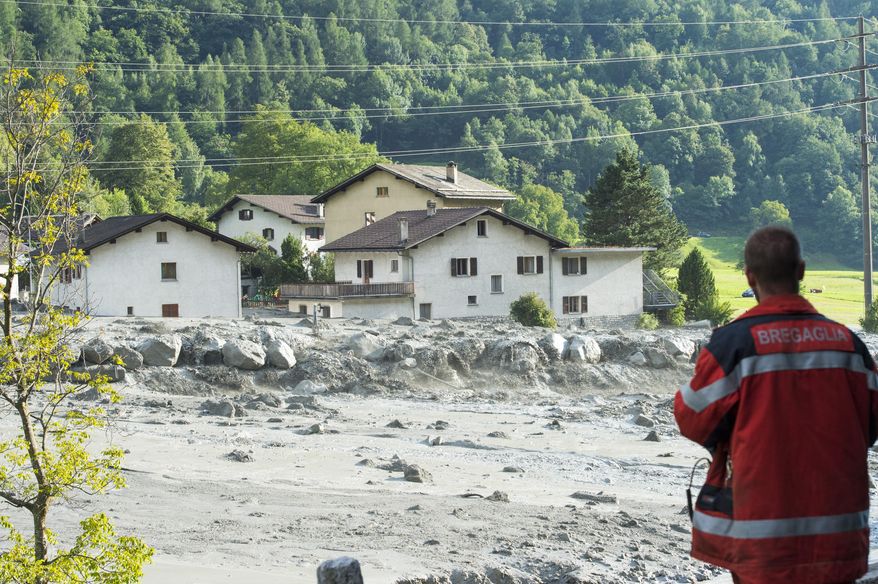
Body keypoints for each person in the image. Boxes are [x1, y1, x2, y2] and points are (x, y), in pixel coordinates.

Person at [674, 226, 878, 584]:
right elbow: (873, 425)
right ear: (801, 270)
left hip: (763, 544)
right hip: (839, 542)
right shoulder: (849, 345)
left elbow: (691, 418)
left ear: (750, 277)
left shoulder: (733, 345)